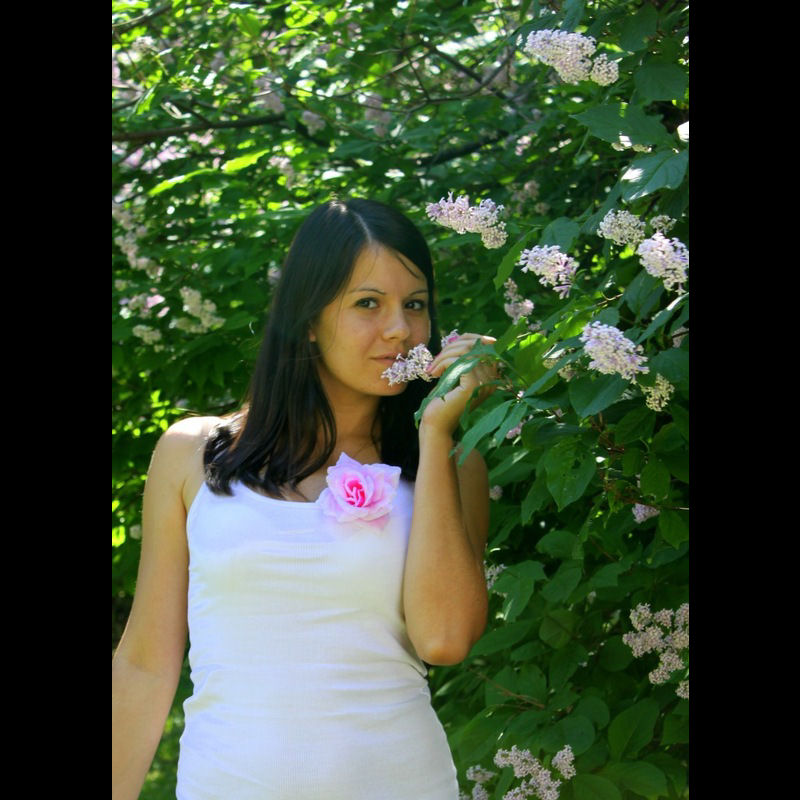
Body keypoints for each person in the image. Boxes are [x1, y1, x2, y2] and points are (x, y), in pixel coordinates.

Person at [112, 197, 498, 799]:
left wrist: (435, 431)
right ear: (308, 318)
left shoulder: (448, 463)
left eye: (415, 305)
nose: (399, 329)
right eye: (368, 303)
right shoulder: (189, 455)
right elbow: (144, 663)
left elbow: (444, 640)